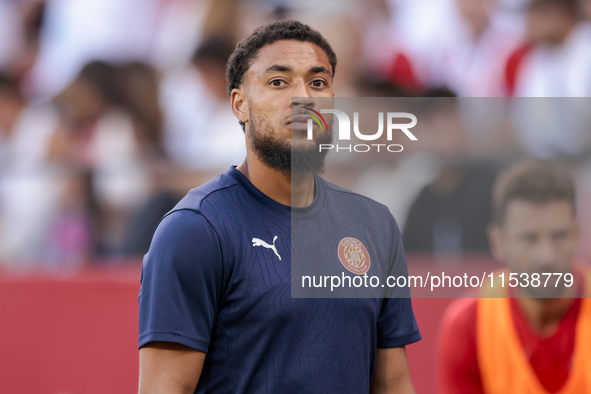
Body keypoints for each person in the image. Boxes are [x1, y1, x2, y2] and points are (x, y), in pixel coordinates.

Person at [138, 20, 421, 393]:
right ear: (240, 104)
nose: (303, 97)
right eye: (278, 82)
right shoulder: (195, 229)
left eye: (318, 82)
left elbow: (394, 382)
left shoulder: (375, 224)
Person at [437, 160, 591, 393]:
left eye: (559, 236)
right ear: (498, 241)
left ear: (577, 235)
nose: (546, 256)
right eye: (529, 239)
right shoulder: (469, 324)